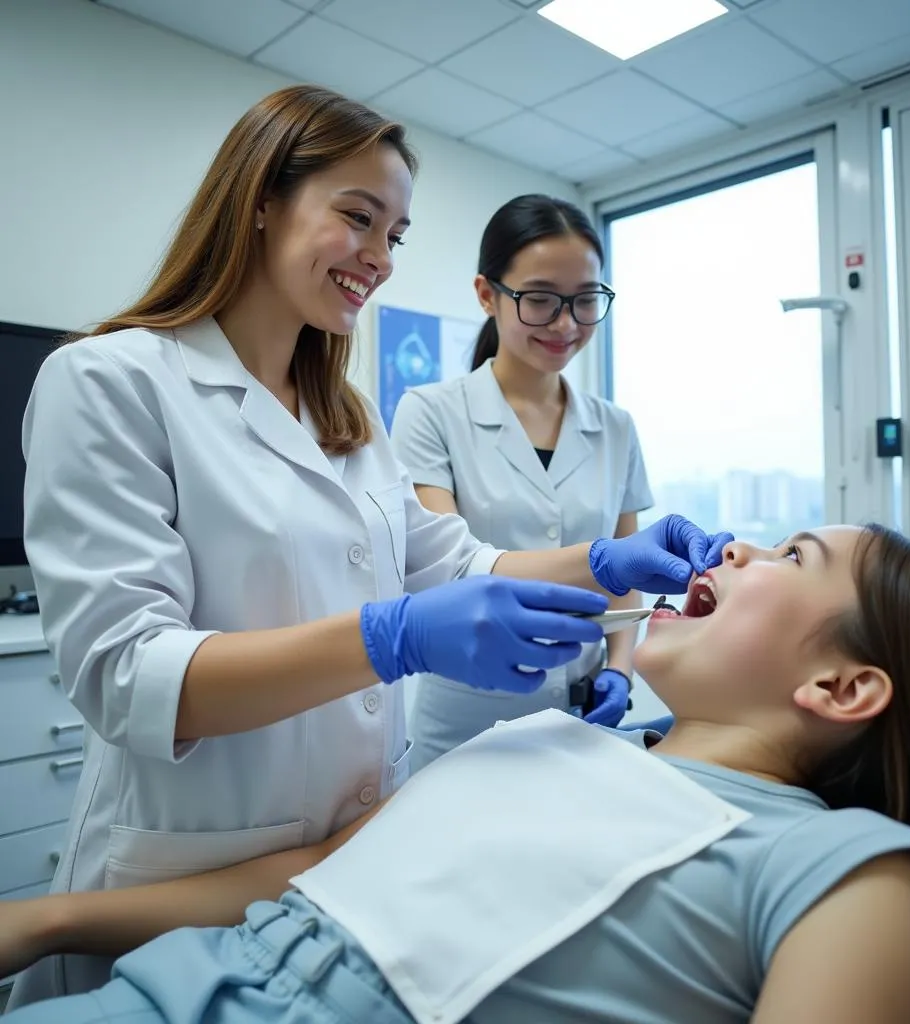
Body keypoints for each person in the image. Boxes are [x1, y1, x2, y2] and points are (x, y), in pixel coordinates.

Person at [9, 84, 731, 1007]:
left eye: (395, 236)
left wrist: (601, 565)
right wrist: (390, 640)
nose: (380, 259)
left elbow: (457, 562)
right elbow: (123, 675)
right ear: (261, 198)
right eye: (358, 218)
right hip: (179, 861)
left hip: (347, 861)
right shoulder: (111, 381)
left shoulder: (345, 421)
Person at [3, 523, 910, 1024]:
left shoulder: (841, 870)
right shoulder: (540, 737)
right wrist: (44, 921)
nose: (741, 547)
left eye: (792, 557)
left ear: (844, 688)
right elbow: (306, 875)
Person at [390, 194, 655, 771]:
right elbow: (444, 569)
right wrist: (607, 560)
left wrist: (619, 668)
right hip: (467, 716)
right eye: (539, 300)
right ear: (488, 294)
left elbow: (624, 579)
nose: (566, 324)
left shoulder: (616, 428)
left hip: (583, 711)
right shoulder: (430, 412)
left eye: (586, 301)